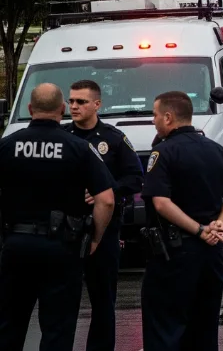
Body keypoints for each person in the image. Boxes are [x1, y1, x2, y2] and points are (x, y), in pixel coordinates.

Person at [0, 83, 115, 351]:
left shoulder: (7, 146)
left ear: (30, 109)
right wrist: (96, 238)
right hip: (63, 247)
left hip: (16, 245)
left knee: (9, 325)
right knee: (58, 329)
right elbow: (106, 199)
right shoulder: (78, 147)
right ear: (62, 109)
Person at [141, 91, 223, 351]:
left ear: (168, 117)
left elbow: (161, 203)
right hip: (211, 254)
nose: (153, 121)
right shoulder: (217, 151)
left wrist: (199, 230)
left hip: (174, 254)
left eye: (155, 115)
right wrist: (220, 224)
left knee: (165, 328)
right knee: (205, 327)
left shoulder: (163, 153)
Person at [63, 79, 144, 351]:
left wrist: (106, 191)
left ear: (97, 104)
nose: (74, 106)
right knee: (64, 300)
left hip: (105, 228)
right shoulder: (62, 137)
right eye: (71, 101)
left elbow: (135, 178)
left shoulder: (113, 139)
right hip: (65, 228)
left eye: (81, 102)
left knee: (103, 300)